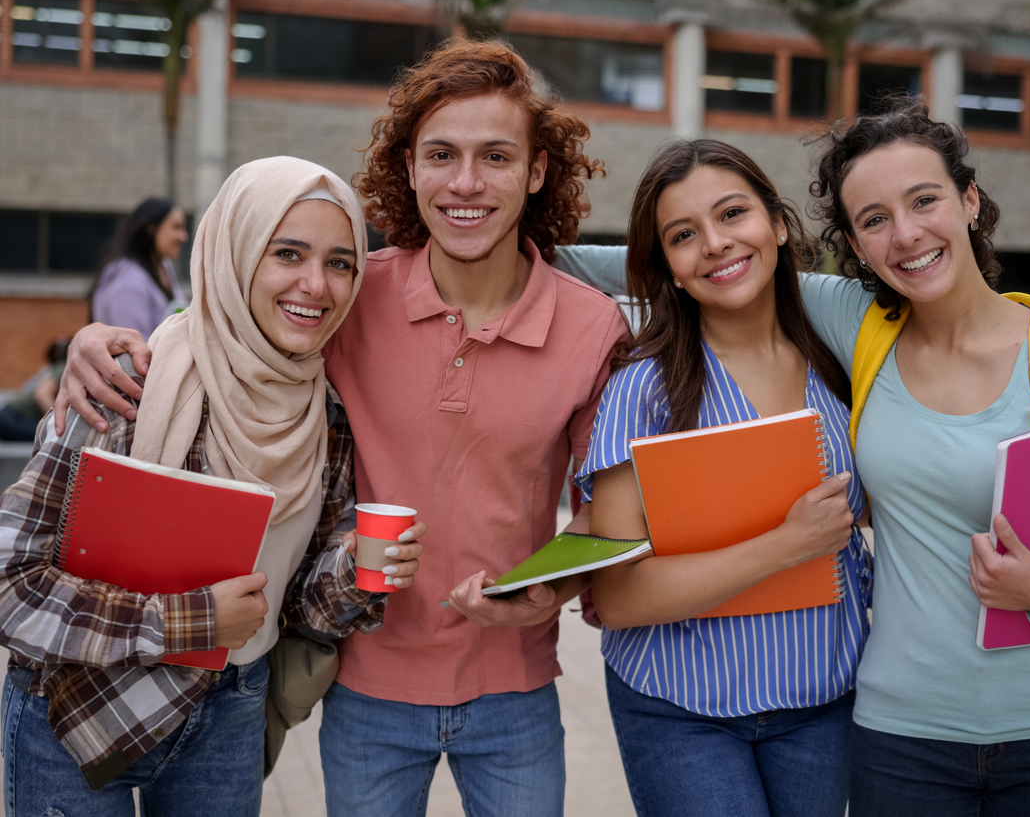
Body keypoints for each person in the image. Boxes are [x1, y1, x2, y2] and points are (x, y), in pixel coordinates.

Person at [51, 40, 630, 817]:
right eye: (441, 155)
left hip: (516, 687)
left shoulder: (592, 327)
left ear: (534, 173)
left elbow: (608, 511)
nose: (465, 182)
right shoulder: (351, 292)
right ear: (410, 169)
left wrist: (553, 584)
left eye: (495, 156)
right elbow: (228, 327)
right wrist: (98, 340)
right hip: (364, 687)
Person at [0, 156, 424, 817]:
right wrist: (189, 622)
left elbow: (305, 608)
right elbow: (9, 585)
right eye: (288, 253)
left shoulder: (323, 413)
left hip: (229, 709)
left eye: (342, 263)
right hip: (76, 707)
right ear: (234, 251)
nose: (316, 285)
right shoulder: (124, 385)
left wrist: (362, 573)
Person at [798, 100, 1030, 815]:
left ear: (970, 201)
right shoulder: (856, 324)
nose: (906, 234)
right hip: (903, 741)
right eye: (874, 219)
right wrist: (529, 252)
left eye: (924, 200)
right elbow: (712, 266)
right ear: (856, 247)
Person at [574, 139, 871, 817]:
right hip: (682, 708)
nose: (714, 243)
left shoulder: (841, 366)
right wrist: (786, 546)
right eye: (683, 235)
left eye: (732, 214)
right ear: (671, 270)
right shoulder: (644, 393)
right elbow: (617, 597)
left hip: (822, 699)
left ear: (778, 224)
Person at [90, 196, 189, 338]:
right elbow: (135, 346)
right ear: (151, 228)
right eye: (176, 227)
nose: (184, 236)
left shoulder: (164, 265)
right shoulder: (127, 280)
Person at [0, 336, 69, 442]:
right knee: (60, 435)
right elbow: (42, 393)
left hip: (10, 416)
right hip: (12, 419)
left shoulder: (50, 369)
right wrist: (57, 420)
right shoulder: (63, 367)